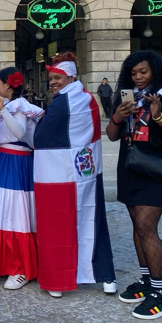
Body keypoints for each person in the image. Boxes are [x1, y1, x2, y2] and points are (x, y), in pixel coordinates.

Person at [106, 50, 162, 319]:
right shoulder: (125, 96)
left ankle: (159, 295)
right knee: (138, 227)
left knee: (147, 227)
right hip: (130, 166)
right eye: (133, 73)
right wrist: (119, 116)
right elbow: (111, 135)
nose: (138, 77)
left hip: (157, 168)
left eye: (143, 71)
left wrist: (158, 116)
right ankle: (146, 282)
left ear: (154, 69)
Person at [33, 52, 117, 299]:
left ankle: (58, 279)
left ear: (70, 76)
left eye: (57, 77)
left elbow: (41, 138)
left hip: (58, 172)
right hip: (86, 170)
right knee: (92, 220)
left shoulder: (61, 103)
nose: (53, 82)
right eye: (51, 78)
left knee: (57, 224)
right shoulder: (88, 99)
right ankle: (105, 275)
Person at [0, 67, 43, 289]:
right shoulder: (11, 105)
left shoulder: (19, 106)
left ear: (8, 85)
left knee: (15, 212)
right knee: (1, 211)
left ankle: (21, 267)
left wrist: (2, 110)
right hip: (4, 160)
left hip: (15, 162)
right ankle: (4, 261)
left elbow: (19, 132)